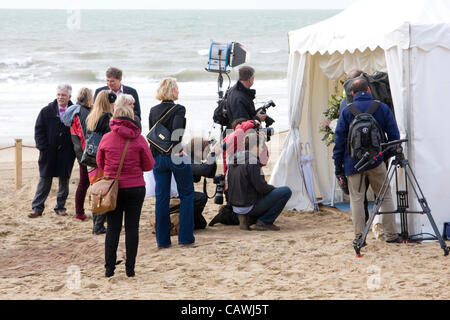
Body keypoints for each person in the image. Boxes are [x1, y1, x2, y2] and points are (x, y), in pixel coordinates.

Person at [333, 78, 400, 245]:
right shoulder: (381, 108)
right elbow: (394, 136)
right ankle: (391, 235)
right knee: (385, 196)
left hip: (353, 163)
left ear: (353, 94)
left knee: (356, 199)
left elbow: (339, 141)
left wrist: (338, 165)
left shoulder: (347, 111)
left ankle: (360, 237)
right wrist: (385, 156)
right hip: (377, 161)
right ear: (369, 90)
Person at [97, 106, 154, 277]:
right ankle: (130, 269)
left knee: (113, 228)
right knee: (132, 227)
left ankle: (109, 269)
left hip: (113, 188)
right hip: (135, 187)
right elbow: (149, 165)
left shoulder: (106, 138)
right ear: (132, 118)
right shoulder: (139, 139)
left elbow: (100, 163)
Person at [149, 77, 195, 248]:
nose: (178, 92)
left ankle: (162, 240)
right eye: (176, 89)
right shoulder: (179, 109)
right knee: (187, 194)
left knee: (161, 198)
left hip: (158, 157)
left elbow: (153, 135)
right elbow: (177, 130)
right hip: (175, 156)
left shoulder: (153, 110)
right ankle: (185, 238)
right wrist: (177, 148)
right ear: (171, 91)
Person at [227, 132, 292, 231]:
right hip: (247, 205)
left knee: (268, 191)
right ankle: (265, 222)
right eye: (262, 146)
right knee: (286, 191)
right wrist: (274, 189)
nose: (262, 149)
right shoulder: (253, 162)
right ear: (256, 147)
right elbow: (262, 188)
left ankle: (247, 217)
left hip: (235, 206)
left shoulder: (234, 159)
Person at [28, 84, 76, 218]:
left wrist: (74, 151)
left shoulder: (74, 112)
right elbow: (39, 130)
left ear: (69, 97)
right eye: (59, 95)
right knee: (44, 180)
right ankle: (37, 208)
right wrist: (43, 147)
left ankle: (60, 207)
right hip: (48, 153)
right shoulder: (46, 111)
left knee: (64, 181)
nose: (60, 97)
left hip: (67, 153)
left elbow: (79, 131)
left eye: (64, 95)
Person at [85, 89, 115, 234]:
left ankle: (96, 224)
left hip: (90, 160)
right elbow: (110, 138)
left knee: (96, 191)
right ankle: (98, 226)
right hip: (101, 160)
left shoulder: (92, 117)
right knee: (103, 192)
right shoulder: (106, 117)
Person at [62, 87, 94, 221]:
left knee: (84, 182)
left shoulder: (72, 111)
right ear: (88, 98)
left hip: (79, 151)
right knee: (88, 182)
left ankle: (79, 211)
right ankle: (80, 212)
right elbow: (85, 135)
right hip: (86, 153)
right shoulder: (83, 113)